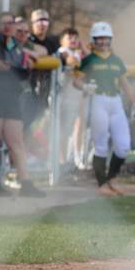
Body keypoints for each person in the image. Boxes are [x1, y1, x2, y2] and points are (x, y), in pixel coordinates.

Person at [0, 12, 45, 197]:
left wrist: (27, 66)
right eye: (3, 23)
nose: (7, 26)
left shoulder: (13, 45)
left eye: (10, 23)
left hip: (10, 97)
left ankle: (26, 184)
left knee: (17, 141)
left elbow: (20, 70)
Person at [74, 21, 135, 197]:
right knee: (100, 145)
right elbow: (76, 81)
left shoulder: (117, 61)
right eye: (99, 39)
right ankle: (102, 183)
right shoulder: (88, 60)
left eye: (106, 38)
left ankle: (111, 178)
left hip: (115, 101)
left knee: (124, 146)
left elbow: (125, 84)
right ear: (93, 40)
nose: (103, 42)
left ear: (111, 40)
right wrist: (85, 87)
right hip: (98, 100)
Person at [57, 28, 87, 166]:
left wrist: (83, 51)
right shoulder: (63, 51)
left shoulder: (78, 52)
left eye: (76, 37)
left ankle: (77, 156)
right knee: (63, 129)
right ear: (62, 41)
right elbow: (72, 62)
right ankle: (62, 160)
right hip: (63, 95)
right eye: (69, 37)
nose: (73, 40)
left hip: (77, 94)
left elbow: (90, 61)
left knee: (80, 125)